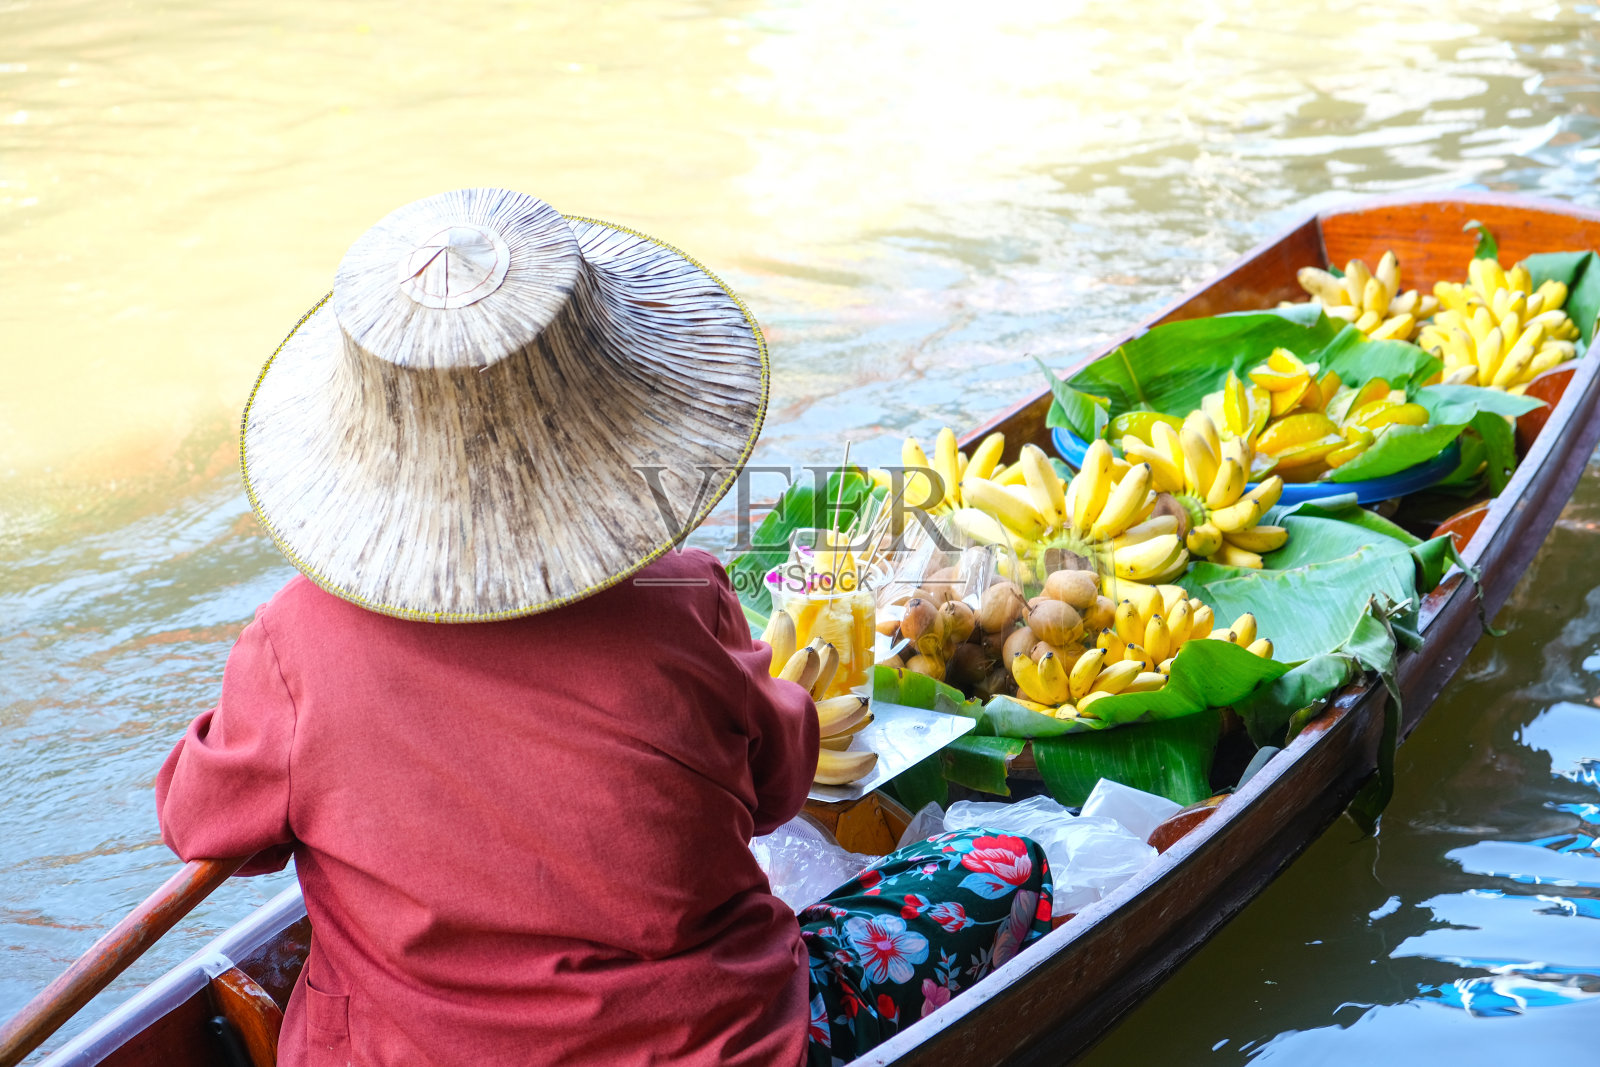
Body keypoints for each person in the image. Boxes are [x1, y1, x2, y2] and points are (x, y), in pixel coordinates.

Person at [156, 188, 1052, 1067]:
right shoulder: (682, 596)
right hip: (705, 1043)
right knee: (1006, 862)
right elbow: (776, 787)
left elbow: (199, 820)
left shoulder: (292, 643)